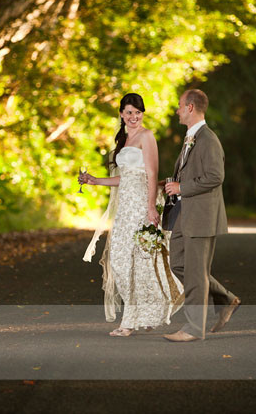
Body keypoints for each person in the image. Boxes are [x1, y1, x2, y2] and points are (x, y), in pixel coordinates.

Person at [80, 93, 183, 337]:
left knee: (140, 261)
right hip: (124, 206)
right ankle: (146, 313)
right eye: (129, 112)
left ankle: (129, 321)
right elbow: (125, 178)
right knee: (120, 260)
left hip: (141, 204)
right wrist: (95, 181)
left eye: (138, 113)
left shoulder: (147, 137)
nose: (134, 117)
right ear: (121, 114)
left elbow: (150, 173)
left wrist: (150, 208)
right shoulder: (124, 139)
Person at [163, 89, 241, 342]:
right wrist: (170, 184)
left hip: (201, 216)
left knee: (196, 272)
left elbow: (215, 176)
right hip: (184, 213)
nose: (176, 110)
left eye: (179, 106)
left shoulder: (208, 139)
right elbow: (189, 173)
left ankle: (194, 329)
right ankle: (226, 299)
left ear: (190, 107)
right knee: (178, 263)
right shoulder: (190, 138)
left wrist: (182, 188)